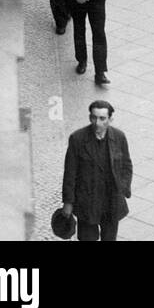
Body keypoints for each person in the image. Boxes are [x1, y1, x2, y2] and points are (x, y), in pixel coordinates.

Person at [60, 100, 132, 243]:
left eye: (102, 118)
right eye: (94, 117)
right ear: (89, 117)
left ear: (110, 119)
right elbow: (70, 173)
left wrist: (123, 188)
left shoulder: (119, 137)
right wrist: (68, 202)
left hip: (110, 202)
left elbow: (127, 165)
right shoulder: (77, 139)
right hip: (87, 202)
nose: (97, 122)